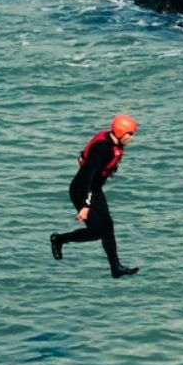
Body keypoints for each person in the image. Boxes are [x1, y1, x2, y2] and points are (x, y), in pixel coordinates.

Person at [49, 114, 140, 279]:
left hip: (94, 189)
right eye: (130, 134)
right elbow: (90, 178)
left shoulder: (110, 140)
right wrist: (85, 206)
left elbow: (83, 160)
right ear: (121, 132)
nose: (132, 139)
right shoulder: (103, 149)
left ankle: (116, 268)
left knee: (108, 227)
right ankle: (59, 239)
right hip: (82, 191)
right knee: (97, 232)